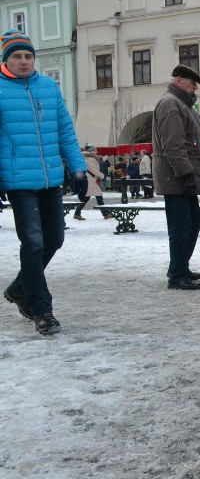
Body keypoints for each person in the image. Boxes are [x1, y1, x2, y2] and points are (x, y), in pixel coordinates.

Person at [0, 29, 87, 335]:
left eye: (28, 56)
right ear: (6, 59)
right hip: (18, 180)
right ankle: (42, 309)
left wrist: (78, 169)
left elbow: (65, 132)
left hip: (50, 178)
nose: (23, 62)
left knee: (55, 239)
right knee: (34, 242)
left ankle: (19, 287)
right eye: (16, 56)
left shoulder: (49, 88)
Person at [151, 65, 200, 290]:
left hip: (180, 177)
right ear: (179, 81)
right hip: (176, 178)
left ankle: (180, 266)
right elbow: (173, 145)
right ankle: (177, 274)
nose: (194, 88)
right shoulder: (171, 104)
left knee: (191, 223)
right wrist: (185, 174)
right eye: (192, 84)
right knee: (181, 226)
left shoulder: (179, 104)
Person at [73, 145, 112, 220]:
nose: (96, 152)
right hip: (91, 181)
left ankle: (77, 213)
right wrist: (102, 175)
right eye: (95, 150)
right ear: (91, 151)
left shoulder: (87, 158)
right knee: (98, 197)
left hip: (90, 180)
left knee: (87, 197)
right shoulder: (90, 159)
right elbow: (94, 170)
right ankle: (105, 214)